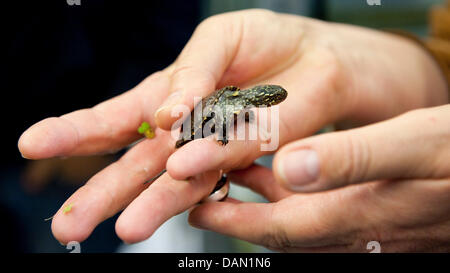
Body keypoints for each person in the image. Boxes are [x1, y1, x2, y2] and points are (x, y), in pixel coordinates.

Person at [18, 7, 450, 252]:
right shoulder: (240, 105)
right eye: (268, 100)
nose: (272, 103)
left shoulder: (247, 105)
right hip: (196, 126)